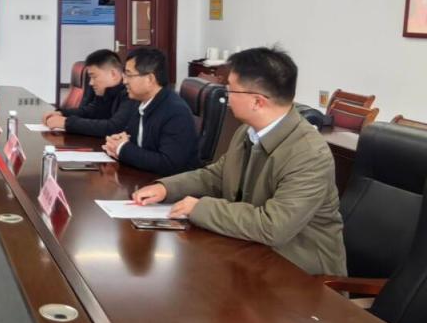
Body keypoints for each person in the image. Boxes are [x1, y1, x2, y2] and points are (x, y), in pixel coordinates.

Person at [132, 47, 346, 276]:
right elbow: (216, 175)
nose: (226, 97)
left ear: (257, 102)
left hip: (303, 276)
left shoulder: (309, 154)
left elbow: (273, 226)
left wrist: (200, 208)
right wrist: (166, 188)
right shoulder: (247, 131)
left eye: (231, 90)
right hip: (254, 256)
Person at [102, 47, 199, 176]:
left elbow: (169, 164)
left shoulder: (176, 112)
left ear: (150, 79)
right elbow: (141, 143)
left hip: (173, 184)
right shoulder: (142, 103)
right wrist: (120, 141)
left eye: (129, 75)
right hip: (145, 178)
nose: (124, 81)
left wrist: (122, 149)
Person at [43, 49, 137, 137]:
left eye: (94, 77)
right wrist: (61, 113)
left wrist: (66, 123)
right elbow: (91, 112)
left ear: (113, 74)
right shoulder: (106, 91)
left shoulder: (130, 94)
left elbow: (113, 128)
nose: (91, 83)